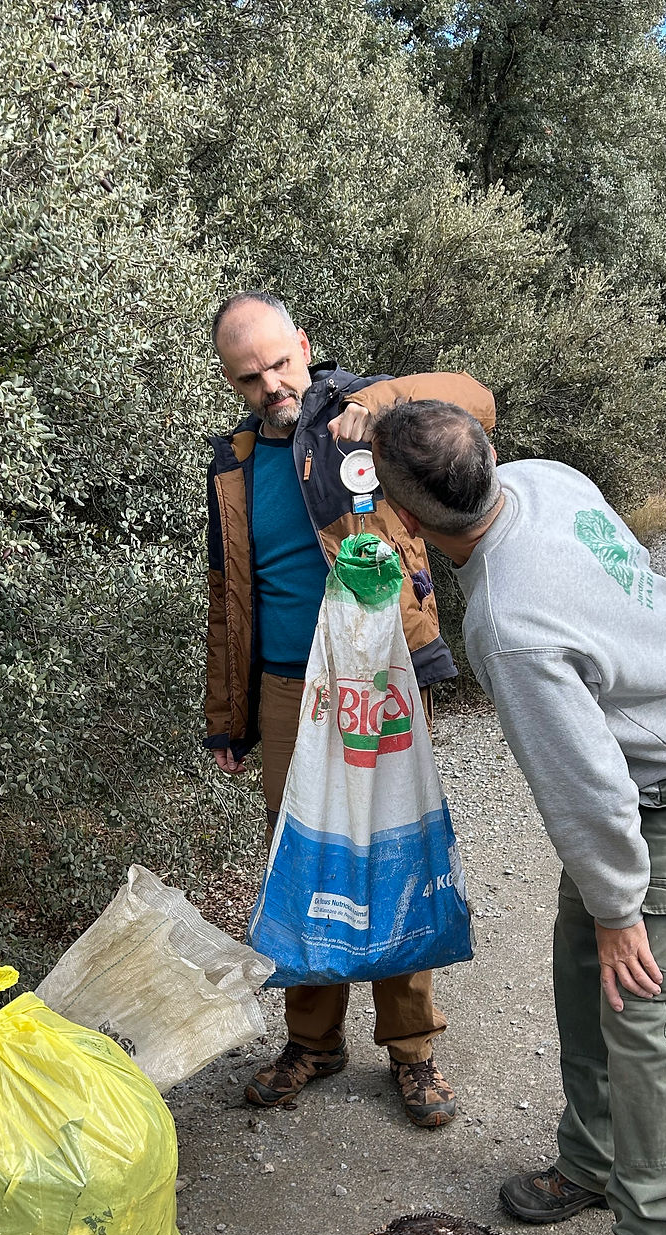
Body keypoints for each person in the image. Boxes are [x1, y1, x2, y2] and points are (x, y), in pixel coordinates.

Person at [364, 398, 666, 1235]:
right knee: (582, 966)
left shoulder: (509, 620)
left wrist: (623, 909)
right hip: (656, 749)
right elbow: (639, 578)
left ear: (412, 523)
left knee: (642, 1010)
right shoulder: (544, 479)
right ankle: (592, 1160)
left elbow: (584, 787)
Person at [204, 292, 495, 1128]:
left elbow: (474, 397)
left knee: (396, 842)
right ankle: (314, 1040)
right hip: (289, 686)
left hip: (381, 673)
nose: (271, 385)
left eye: (280, 363)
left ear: (305, 344)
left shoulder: (361, 409)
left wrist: (375, 406)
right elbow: (226, 596)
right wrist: (228, 716)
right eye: (249, 376)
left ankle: (413, 1051)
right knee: (303, 859)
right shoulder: (229, 464)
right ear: (231, 380)